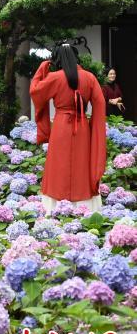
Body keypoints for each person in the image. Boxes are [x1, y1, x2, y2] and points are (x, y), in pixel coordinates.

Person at [30, 43, 106, 213]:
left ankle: (56, 208)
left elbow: (36, 92)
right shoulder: (90, 78)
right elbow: (100, 104)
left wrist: (42, 68)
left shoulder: (55, 77)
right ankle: (84, 208)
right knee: (82, 164)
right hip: (83, 127)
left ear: (57, 59)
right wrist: (95, 129)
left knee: (59, 164)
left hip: (61, 126)